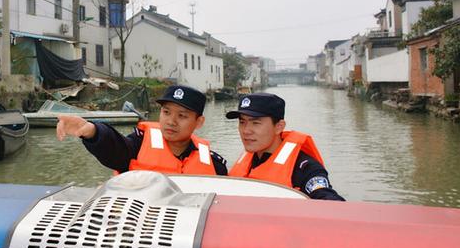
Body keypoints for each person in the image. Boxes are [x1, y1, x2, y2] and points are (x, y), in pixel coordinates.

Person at [56, 85, 227, 175]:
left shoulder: (215, 166)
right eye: (166, 112)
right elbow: (115, 147)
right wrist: (93, 132)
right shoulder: (137, 145)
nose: (171, 121)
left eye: (182, 116)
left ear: (199, 122)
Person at [226, 93, 345, 200]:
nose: (246, 131)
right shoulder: (249, 161)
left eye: (255, 123)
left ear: (279, 127)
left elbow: (329, 200)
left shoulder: (304, 168)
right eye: (242, 122)